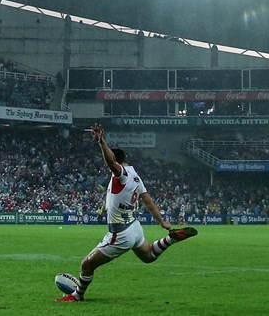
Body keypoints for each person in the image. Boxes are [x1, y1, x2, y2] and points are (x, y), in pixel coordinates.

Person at [57, 124, 196, 303]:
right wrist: (162, 223)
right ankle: (171, 239)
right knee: (148, 256)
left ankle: (77, 296)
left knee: (87, 264)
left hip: (120, 234)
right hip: (134, 227)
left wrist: (101, 142)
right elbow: (148, 201)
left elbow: (111, 163)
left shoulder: (121, 174)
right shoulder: (136, 176)